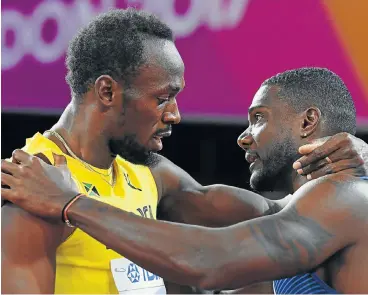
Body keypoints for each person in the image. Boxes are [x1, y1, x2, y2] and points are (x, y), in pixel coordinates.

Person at [1, 10, 368, 294]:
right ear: (108, 92)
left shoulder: (148, 175)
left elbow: (228, 245)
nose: (175, 114)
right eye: (163, 98)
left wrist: (70, 204)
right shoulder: (33, 185)